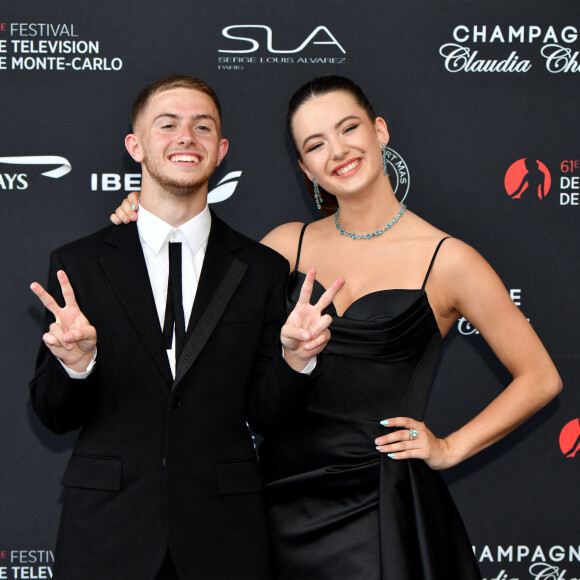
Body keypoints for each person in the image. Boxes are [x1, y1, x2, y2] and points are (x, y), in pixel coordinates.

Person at [111, 75, 562, 580]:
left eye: (348, 128)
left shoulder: (449, 260)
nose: (338, 151)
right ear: (304, 167)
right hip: (273, 498)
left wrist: (450, 447)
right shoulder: (285, 246)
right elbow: (194, 293)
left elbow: (540, 378)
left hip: (377, 507)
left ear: (380, 131)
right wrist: (146, 215)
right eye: (315, 144)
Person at [29, 74, 343, 580]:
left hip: (224, 535)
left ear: (220, 151)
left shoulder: (261, 268)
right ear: (136, 145)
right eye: (167, 124)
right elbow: (51, 413)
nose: (185, 137)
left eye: (202, 127)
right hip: (107, 534)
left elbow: (266, 415)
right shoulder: (79, 265)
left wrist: (295, 360)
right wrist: (77, 364)